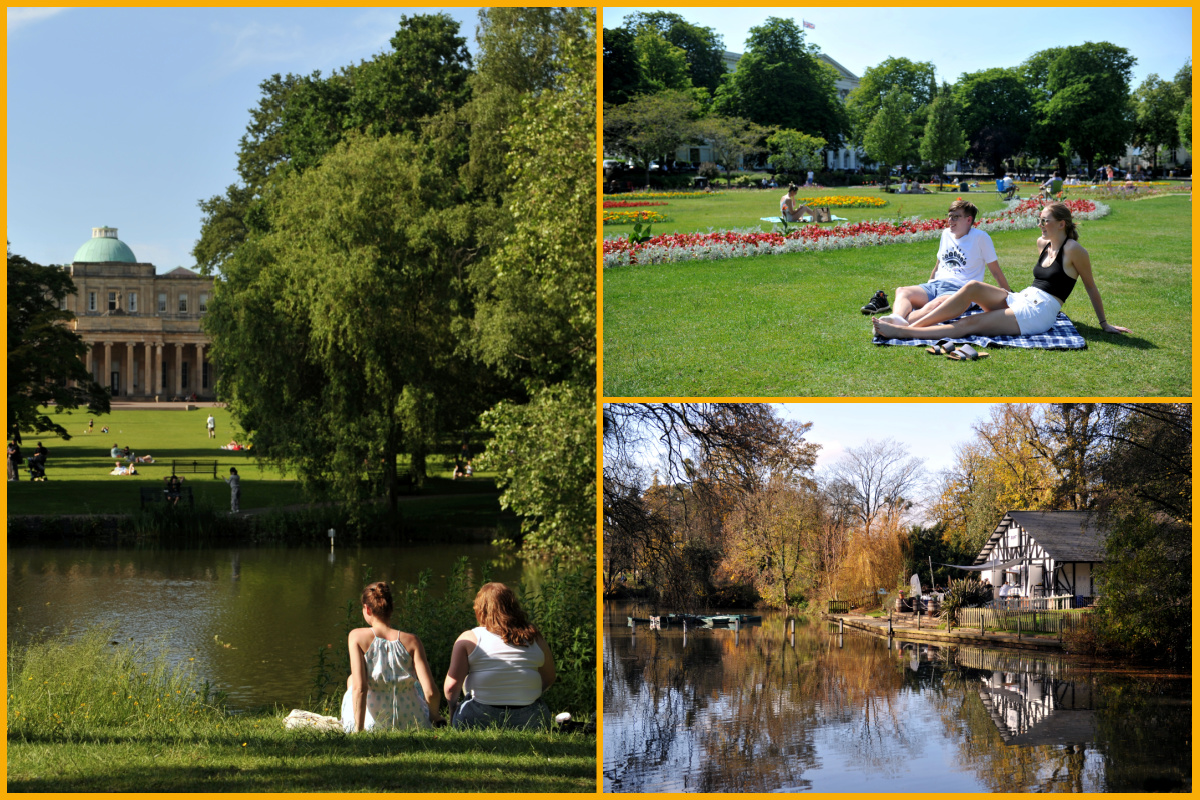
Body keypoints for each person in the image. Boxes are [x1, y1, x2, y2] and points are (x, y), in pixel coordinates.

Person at [873, 202, 1130, 342]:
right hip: (1022, 297)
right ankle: (907, 323)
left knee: (968, 324)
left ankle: (904, 332)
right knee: (971, 288)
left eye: (1044, 221)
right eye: (1039, 219)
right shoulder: (1043, 244)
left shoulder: (1074, 250)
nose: (1039, 224)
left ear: (1061, 224)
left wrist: (1104, 324)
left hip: (1038, 312)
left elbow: (1090, 287)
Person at [866, 198, 1011, 320]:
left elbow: (996, 271)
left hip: (959, 291)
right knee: (902, 291)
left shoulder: (980, 238)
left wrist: (1011, 297)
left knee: (933, 306)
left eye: (956, 217)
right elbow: (938, 264)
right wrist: (930, 284)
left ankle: (895, 322)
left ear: (969, 220)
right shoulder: (946, 234)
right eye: (949, 216)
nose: (950, 220)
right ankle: (896, 318)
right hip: (936, 285)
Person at [444, 582, 556, 729]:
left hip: (478, 718)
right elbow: (549, 677)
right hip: (531, 719)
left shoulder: (469, 638)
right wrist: (523, 694)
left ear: (480, 610)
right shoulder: (534, 636)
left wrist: (453, 711)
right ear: (514, 607)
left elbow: (451, 687)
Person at [341, 581, 441, 732]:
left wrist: (359, 730)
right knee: (415, 684)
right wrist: (434, 718)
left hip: (373, 725)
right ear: (391, 609)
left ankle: (359, 725)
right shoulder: (412, 641)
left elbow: (360, 688)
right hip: (413, 722)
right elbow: (431, 692)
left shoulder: (357, 636)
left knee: (352, 680)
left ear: (367, 609)